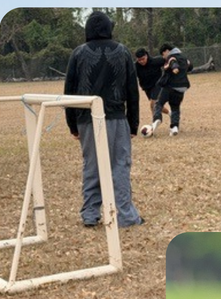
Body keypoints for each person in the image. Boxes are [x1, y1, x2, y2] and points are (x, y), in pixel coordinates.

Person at [63, 11, 143, 228]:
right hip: (116, 118)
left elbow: (68, 91)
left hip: (86, 119)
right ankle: (125, 215)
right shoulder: (123, 52)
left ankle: (90, 214)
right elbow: (131, 91)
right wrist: (133, 123)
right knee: (120, 165)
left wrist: (72, 124)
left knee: (91, 166)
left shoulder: (78, 54)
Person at [149, 43, 191, 137]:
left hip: (171, 85)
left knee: (158, 103)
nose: (164, 57)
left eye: (163, 55)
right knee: (175, 107)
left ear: (166, 51)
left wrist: (175, 67)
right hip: (182, 87)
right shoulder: (184, 57)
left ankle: (157, 119)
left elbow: (172, 61)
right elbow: (190, 66)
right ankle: (174, 127)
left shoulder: (171, 56)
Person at [134, 48, 168, 118]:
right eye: (139, 60)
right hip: (147, 88)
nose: (141, 61)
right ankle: (171, 114)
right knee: (158, 106)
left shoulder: (155, 61)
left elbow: (169, 60)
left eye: (143, 59)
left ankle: (154, 123)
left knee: (153, 104)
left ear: (146, 55)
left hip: (158, 85)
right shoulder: (135, 67)